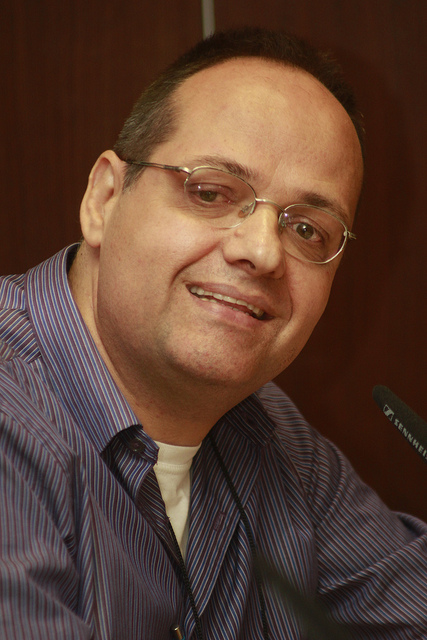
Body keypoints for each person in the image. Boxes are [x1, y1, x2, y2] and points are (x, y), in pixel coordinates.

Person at [0, 26, 426, 640]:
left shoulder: (278, 440)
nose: (262, 251)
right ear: (105, 198)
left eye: (307, 230)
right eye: (211, 192)